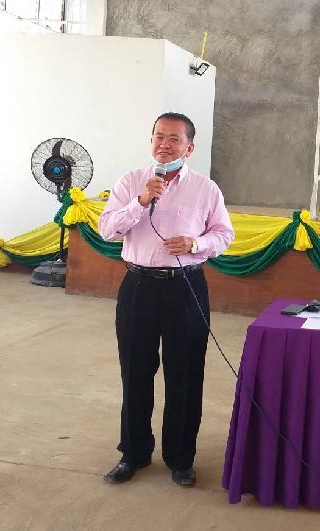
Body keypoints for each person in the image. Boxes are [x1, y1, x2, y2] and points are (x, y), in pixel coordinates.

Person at [98, 112, 234, 487]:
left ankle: (180, 458)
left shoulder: (206, 189)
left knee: (185, 374)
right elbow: (107, 229)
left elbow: (224, 235)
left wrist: (196, 243)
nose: (164, 144)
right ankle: (134, 453)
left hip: (185, 287)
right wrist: (141, 201)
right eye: (159, 136)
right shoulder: (130, 182)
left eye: (174, 139)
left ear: (189, 148)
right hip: (138, 287)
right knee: (135, 371)